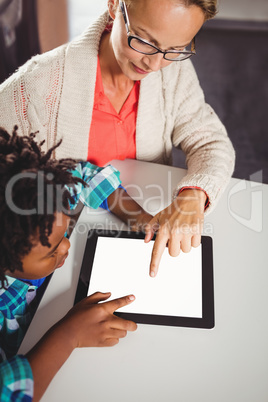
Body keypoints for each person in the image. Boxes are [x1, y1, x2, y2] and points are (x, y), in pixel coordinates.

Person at [0, 0, 235, 277]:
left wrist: (194, 196)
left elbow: (210, 141)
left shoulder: (173, 71)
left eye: (175, 49)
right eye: (144, 41)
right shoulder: (35, 86)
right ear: (114, 5)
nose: (155, 64)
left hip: (139, 240)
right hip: (53, 260)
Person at [0, 126, 153, 401]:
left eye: (65, 232)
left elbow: (83, 175)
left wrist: (137, 217)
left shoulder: (40, 194)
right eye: (52, 252)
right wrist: (69, 335)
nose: (67, 245)